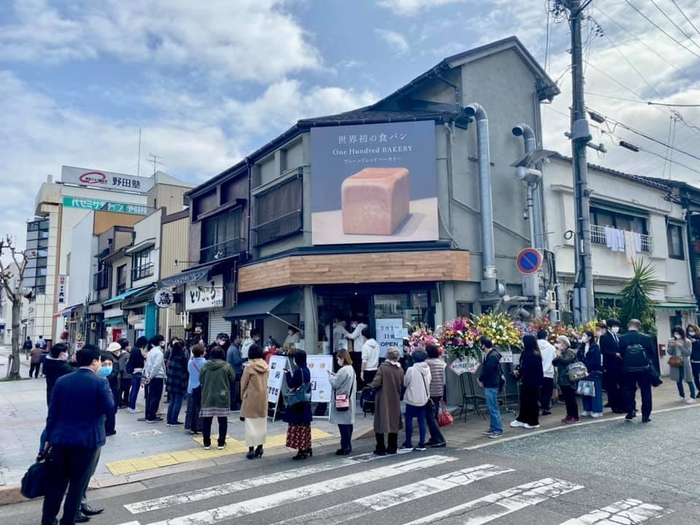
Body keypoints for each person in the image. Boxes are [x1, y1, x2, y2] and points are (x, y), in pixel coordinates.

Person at [41, 345, 114, 525]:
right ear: (94, 361)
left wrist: (48, 439)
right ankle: (68, 520)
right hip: (88, 441)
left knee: (57, 483)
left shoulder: (62, 381)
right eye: (99, 361)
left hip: (60, 439)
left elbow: (53, 413)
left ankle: (48, 520)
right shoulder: (100, 382)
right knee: (77, 484)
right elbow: (110, 409)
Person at [619, 319, 655, 423]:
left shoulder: (622, 338)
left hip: (628, 369)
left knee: (628, 390)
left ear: (628, 325)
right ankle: (645, 415)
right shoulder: (646, 338)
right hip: (644, 369)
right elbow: (651, 353)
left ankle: (630, 411)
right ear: (639, 326)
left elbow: (621, 353)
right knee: (646, 391)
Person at [199, 346, 235, 450]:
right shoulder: (227, 366)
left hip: (208, 396)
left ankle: (206, 443)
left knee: (207, 421)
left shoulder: (205, 366)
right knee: (222, 420)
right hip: (222, 396)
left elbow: (201, 379)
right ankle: (221, 443)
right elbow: (232, 378)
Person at [370, 347, 404, 455]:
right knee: (394, 423)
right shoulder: (400, 370)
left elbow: (376, 383)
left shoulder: (383, 368)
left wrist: (372, 388)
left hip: (382, 398)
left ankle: (380, 448)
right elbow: (402, 384)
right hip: (395, 398)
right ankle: (392, 447)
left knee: (380, 423)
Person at [240, 344, 269, 459]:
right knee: (261, 423)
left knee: (251, 424)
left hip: (251, 397)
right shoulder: (266, 365)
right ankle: (260, 447)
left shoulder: (249, 367)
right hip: (263, 397)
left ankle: (251, 450)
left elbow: (244, 383)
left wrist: (242, 396)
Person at [284, 350, 314, 459]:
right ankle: (307, 447)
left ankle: (302, 451)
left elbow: (291, 384)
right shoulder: (307, 370)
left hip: (298, 403)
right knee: (305, 427)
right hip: (305, 402)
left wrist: (287, 374)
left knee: (298, 427)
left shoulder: (298, 371)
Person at [511, 334, 543, 430]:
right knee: (524, 400)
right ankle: (522, 418)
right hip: (525, 381)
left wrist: (519, 371)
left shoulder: (534, 355)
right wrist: (518, 370)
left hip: (533, 382)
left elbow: (529, 368)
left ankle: (533, 421)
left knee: (532, 401)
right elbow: (521, 365)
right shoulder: (525, 353)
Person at [401, 349, 431, 451]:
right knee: (421, 421)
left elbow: (405, 383)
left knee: (408, 420)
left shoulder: (411, 370)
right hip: (423, 398)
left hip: (412, 399)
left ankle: (408, 443)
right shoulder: (427, 368)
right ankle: (421, 443)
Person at [328, 349, 356, 455]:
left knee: (343, 425)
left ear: (342, 358)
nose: (337, 361)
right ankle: (347, 445)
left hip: (342, 400)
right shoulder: (351, 369)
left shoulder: (343, 370)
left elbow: (335, 384)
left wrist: (330, 377)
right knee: (348, 424)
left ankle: (345, 447)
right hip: (349, 399)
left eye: (338, 359)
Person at [478, 337, 504, 439]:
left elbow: (488, 370)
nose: (480, 346)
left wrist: (481, 379)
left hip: (492, 384)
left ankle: (498, 430)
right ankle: (493, 427)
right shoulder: (492, 354)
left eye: (481, 344)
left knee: (493, 408)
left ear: (484, 345)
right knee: (491, 407)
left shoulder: (492, 356)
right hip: (491, 383)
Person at [553, 335, 579, 424]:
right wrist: (558, 355)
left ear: (564, 343)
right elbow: (554, 362)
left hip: (569, 378)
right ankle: (569, 414)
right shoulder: (562, 352)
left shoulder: (569, 352)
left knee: (571, 398)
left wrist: (559, 355)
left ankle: (574, 415)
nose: (557, 344)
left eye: (559, 342)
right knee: (567, 399)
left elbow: (565, 361)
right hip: (562, 379)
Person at [667, 325, 696, 404]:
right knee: (678, 380)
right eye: (674, 333)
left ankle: (693, 396)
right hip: (675, 362)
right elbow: (669, 352)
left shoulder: (687, 341)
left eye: (678, 333)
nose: (676, 335)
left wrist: (681, 346)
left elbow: (688, 353)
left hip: (685, 362)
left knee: (689, 379)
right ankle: (681, 396)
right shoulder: (671, 340)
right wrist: (671, 346)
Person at [600, 319, 624, 413]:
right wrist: (615, 354)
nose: (616, 328)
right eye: (614, 326)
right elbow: (604, 351)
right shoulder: (604, 337)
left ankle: (623, 404)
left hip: (620, 365)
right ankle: (615, 406)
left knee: (622, 386)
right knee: (612, 387)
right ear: (609, 327)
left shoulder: (618, 336)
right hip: (611, 365)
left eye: (617, 326)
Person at [425, 344, 447, 447]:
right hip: (439, 392)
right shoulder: (441, 363)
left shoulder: (427, 363)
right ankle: (434, 438)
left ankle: (439, 439)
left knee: (430, 416)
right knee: (434, 415)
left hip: (430, 393)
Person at [580, 330, 604, 418]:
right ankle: (587, 409)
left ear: (589, 337)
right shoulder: (581, 348)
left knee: (595, 391)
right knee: (585, 391)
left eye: (584, 335)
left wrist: (588, 367)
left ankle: (597, 410)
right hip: (582, 372)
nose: (582, 337)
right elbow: (579, 357)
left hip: (594, 371)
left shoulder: (595, 347)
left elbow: (595, 360)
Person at [143, 335, 166, 423]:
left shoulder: (151, 351)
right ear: (159, 342)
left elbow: (148, 365)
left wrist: (148, 375)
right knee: (156, 397)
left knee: (151, 396)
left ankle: (149, 415)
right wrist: (151, 376)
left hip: (151, 376)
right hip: (157, 376)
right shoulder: (159, 353)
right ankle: (151, 416)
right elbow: (156, 365)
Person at [165, 342, 189, 426]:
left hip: (171, 381)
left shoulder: (171, 357)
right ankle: (174, 419)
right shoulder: (182, 358)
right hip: (179, 382)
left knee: (172, 400)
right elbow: (186, 370)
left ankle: (169, 419)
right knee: (178, 401)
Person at [185, 344, 206, 434]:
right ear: (202, 353)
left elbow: (189, 371)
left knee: (191, 408)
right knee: (200, 408)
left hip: (190, 387)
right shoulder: (205, 363)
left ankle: (191, 426)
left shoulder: (190, 362)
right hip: (200, 388)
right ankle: (199, 427)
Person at [126, 336, 148, 413]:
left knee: (133, 390)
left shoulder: (134, 349)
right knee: (135, 389)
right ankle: (132, 407)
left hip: (134, 371)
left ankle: (130, 406)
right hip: (138, 371)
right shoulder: (138, 350)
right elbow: (139, 361)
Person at [536, 330, 556, 416]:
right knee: (547, 392)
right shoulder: (551, 347)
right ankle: (546, 408)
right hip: (548, 373)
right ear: (546, 336)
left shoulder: (535, 347)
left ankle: (538, 406)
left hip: (537, 373)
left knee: (537, 391)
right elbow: (555, 359)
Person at [100, 352, 118, 437]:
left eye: (110, 364)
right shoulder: (95, 378)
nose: (107, 367)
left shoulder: (107, 377)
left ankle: (109, 429)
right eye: (104, 364)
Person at [227, 335, 244, 410]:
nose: (240, 339)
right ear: (234, 340)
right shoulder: (234, 349)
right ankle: (233, 404)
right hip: (235, 372)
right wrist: (244, 359)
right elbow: (237, 361)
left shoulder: (232, 348)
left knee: (233, 389)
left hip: (232, 371)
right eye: (238, 338)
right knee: (234, 389)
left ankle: (232, 404)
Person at [117, 338, 132, 408]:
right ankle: (125, 402)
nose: (130, 347)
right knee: (126, 389)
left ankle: (119, 401)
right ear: (126, 347)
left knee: (120, 389)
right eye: (129, 345)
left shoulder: (118, 354)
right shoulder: (127, 355)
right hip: (127, 374)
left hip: (120, 374)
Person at [687, 324, 700, 394]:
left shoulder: (698, 338)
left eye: (692, 330)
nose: (691, 332)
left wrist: (696, 342)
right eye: (689, 330)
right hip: (693, 361)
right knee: (696, 378)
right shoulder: (688, 339)